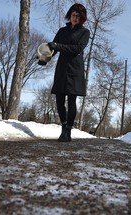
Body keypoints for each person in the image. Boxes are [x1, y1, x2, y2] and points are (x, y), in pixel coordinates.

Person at [45, 3, 90, 142]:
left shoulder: (84, 32)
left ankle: (68, 131)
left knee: (71, 100)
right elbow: (53, 48)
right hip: (62, 68)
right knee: (59, 100)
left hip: (75, 69)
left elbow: (77, 49)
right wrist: (44, 57)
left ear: (82, 18)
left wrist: (58, 46)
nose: (75, 18)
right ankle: (63, 127)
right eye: (73, 15)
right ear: (70, 15)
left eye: (78, 16)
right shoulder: (62, 31)